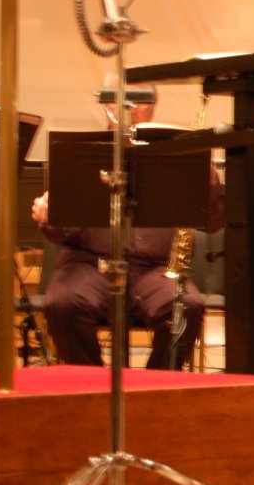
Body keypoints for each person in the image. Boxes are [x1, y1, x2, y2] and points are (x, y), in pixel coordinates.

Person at [32, 77, 223, 370]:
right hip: (89, 265)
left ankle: (155, 389)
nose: (130, 107)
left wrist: (209, 183)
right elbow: (62, 232)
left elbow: (211, 224)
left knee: (186, 307)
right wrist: (48, 216)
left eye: (140, 100)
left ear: (153, 107)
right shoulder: (82, 152)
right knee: (64, 303)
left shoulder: (174, 155)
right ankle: (90, 386)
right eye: (119, 99)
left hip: (155, 270)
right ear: (106, 105)